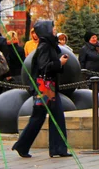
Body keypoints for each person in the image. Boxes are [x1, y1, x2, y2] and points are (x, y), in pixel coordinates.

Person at [12, 20, 72, 158]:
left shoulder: (48, 45)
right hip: (45, 87)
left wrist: (59, 62)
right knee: (41, 117)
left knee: (50, 117)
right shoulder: (45, 46)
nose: (55, 30)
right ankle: (25, 145)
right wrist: (59, 63)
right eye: (52, 28)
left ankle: (57, 148)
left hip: (48, 87)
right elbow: (44, 66)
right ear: (46, 30)